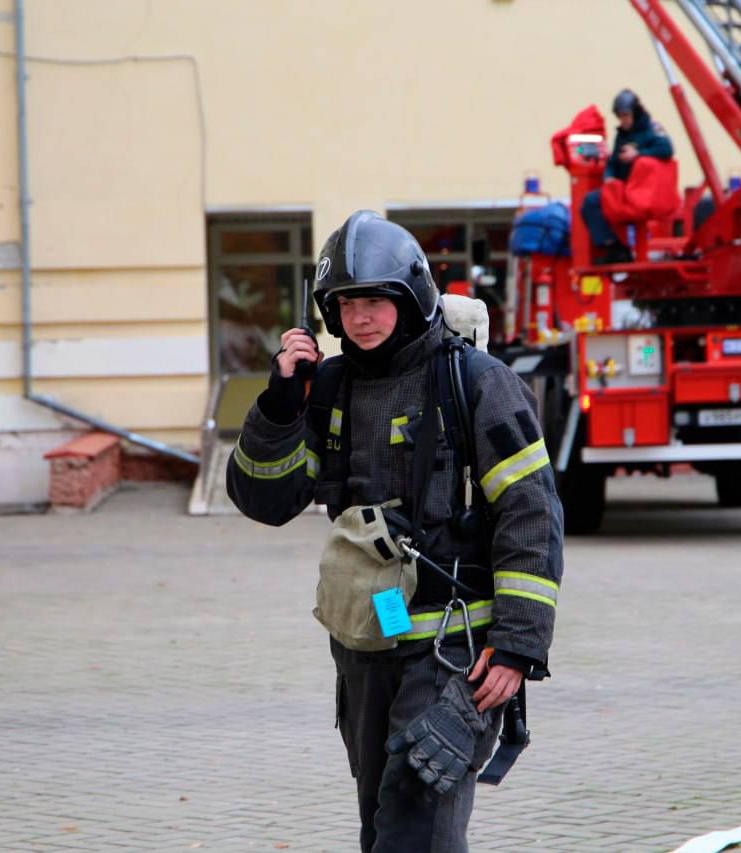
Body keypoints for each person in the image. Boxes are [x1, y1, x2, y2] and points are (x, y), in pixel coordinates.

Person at [226, 210, 563, 852]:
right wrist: (280, 406)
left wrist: (518, 645)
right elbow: (265, 501)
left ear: (411, 297)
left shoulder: (478, 383)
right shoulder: (328, 389)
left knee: (415, 829)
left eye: (376, 300)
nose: (360, 317)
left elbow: (532, 513)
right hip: (365, 648)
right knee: (382, 827)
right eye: (347, 304)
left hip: (455, 653)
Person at [581, 88, 674, 263]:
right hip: (625, 190)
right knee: (591, 202)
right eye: (620, 116)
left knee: (598, 203)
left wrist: (638, 153)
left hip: (643, 191)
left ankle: (619, 250)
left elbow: (666, 149)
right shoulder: (621, 135)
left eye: (625, 115)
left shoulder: (652, 129)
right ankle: (615, 247)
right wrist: (608, 178)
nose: (623, 120)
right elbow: (613, 161)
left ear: (635, 113)